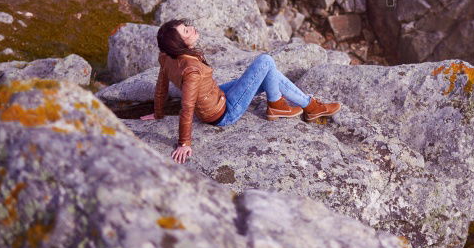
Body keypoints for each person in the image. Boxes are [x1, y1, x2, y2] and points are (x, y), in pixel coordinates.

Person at [141, 19, 341, 164]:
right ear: (178, 44)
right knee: (266, 61)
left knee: (268, 72)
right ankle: (294, 105)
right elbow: (187, 106)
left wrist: (158, 113)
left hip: (216, 95)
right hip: (223, 113)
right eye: (186, 31)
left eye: (187, 27)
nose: (192, 29)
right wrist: (184, 142)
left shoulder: (166, 57)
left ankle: (296, 105)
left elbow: (161, 86)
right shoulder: (191, 71)